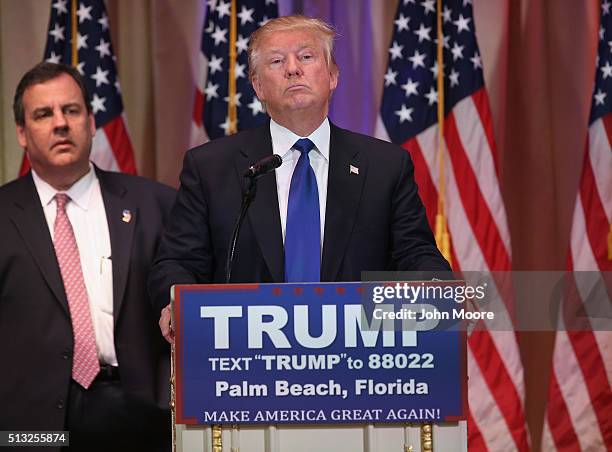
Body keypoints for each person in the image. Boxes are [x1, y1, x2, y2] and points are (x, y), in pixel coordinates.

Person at [149, 15, 450, 343]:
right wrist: (174, 301)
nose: (293, 69)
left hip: (359, 356)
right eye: (277, 61)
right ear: (258, 86)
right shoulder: (211, 167)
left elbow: (415, 252)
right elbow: (179, 261)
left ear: (333, 76)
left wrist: (436, 288)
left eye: (306, 56)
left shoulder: (385, 165)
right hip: (245, 357)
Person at [0, 62, 175, 451]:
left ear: (92, 122)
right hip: (29, 427)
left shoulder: (156, 204)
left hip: (139, 417)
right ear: (22, 134)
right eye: (43, 114)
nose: (60, 123)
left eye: (72, 110)